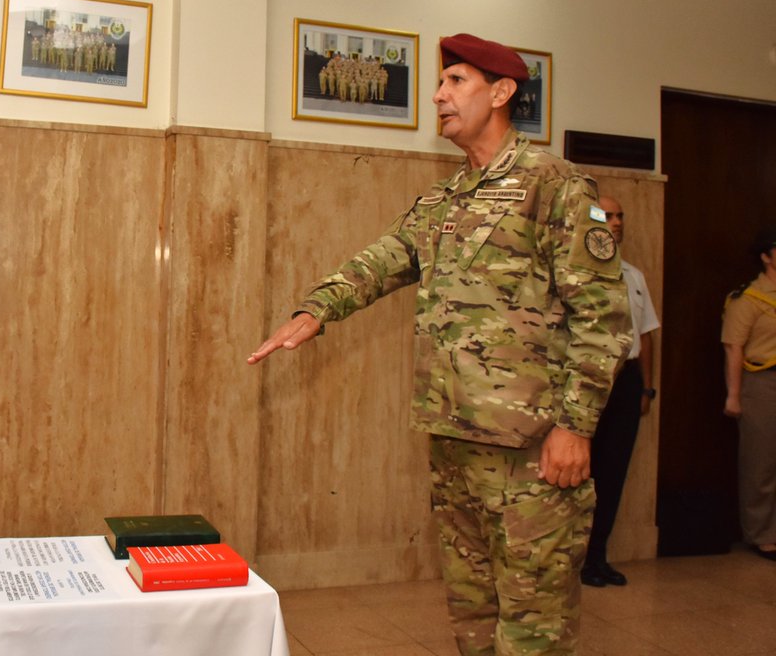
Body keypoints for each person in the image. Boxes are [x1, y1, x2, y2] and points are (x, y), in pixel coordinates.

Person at [248, 32, 630, 656]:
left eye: (456, 81)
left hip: (531, 449)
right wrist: (316, 309)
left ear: (501, 92)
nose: (438, 96)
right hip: (454, 442)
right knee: (473, 616)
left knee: (533, 625)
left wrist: (575, 427)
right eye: (441, 82)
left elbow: (603, 317)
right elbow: (381, 260)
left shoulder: (556, 185)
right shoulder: (444, 198)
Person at [581, 195, 660, 587]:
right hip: (588, 380)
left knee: (613, 472)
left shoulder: (633, 275)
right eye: (607, 215)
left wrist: (646, 388)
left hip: (626, 380)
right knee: (580, 474)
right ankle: (571, 560)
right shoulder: (576, 273)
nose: (616, 222)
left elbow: (647, 335)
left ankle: (597, 558)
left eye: (620, 216)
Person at [721, 226, 776, 561]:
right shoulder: (748, 298)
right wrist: (734, 395)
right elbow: (733, 348)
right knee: (762, 462)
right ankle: (762, 534)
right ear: (766, 257)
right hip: (762, 382)